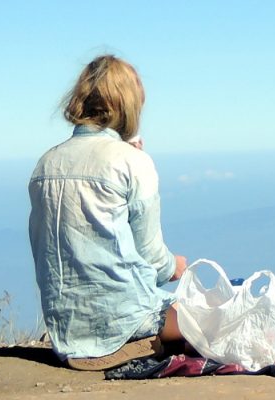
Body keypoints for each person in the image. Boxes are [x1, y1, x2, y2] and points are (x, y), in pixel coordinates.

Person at [28, 54, 188, 370]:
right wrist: (175, 267)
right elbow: (151, 259)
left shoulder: (45, 164)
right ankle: (141, 342)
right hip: (129, 318)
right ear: (128, 104)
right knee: (224, 311)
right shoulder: (133, 162)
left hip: (65, 331)